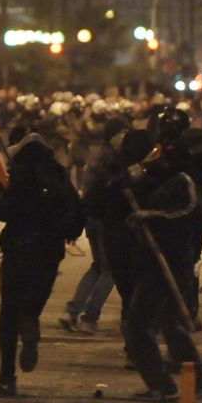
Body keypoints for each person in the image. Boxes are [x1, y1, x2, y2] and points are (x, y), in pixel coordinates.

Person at [0, 126, 85, 397]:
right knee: (31, 310)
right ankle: (30, 325)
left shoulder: (18, 174)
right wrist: (67, 233)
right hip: (49, 252)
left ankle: (6, 377)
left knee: (8, 314)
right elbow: (78, 211)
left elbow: (4, 210)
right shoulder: (59, 174)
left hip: (18, 251)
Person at [121, 132, 202, 400]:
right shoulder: (152, 180)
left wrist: (153, 216)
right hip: (154, 260)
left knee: (138, 325)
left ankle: (164, 385)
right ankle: (193, 382)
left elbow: (190, 212)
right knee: (169, 323)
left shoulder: (183, 181)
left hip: (171, 262)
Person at [58, 117, 130, 334]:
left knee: (98, 267)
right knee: (111, 270)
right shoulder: (116, 161)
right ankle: (90, 317)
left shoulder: (97, 157)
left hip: (92, 219)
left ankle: (71, 311)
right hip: (107, 221)